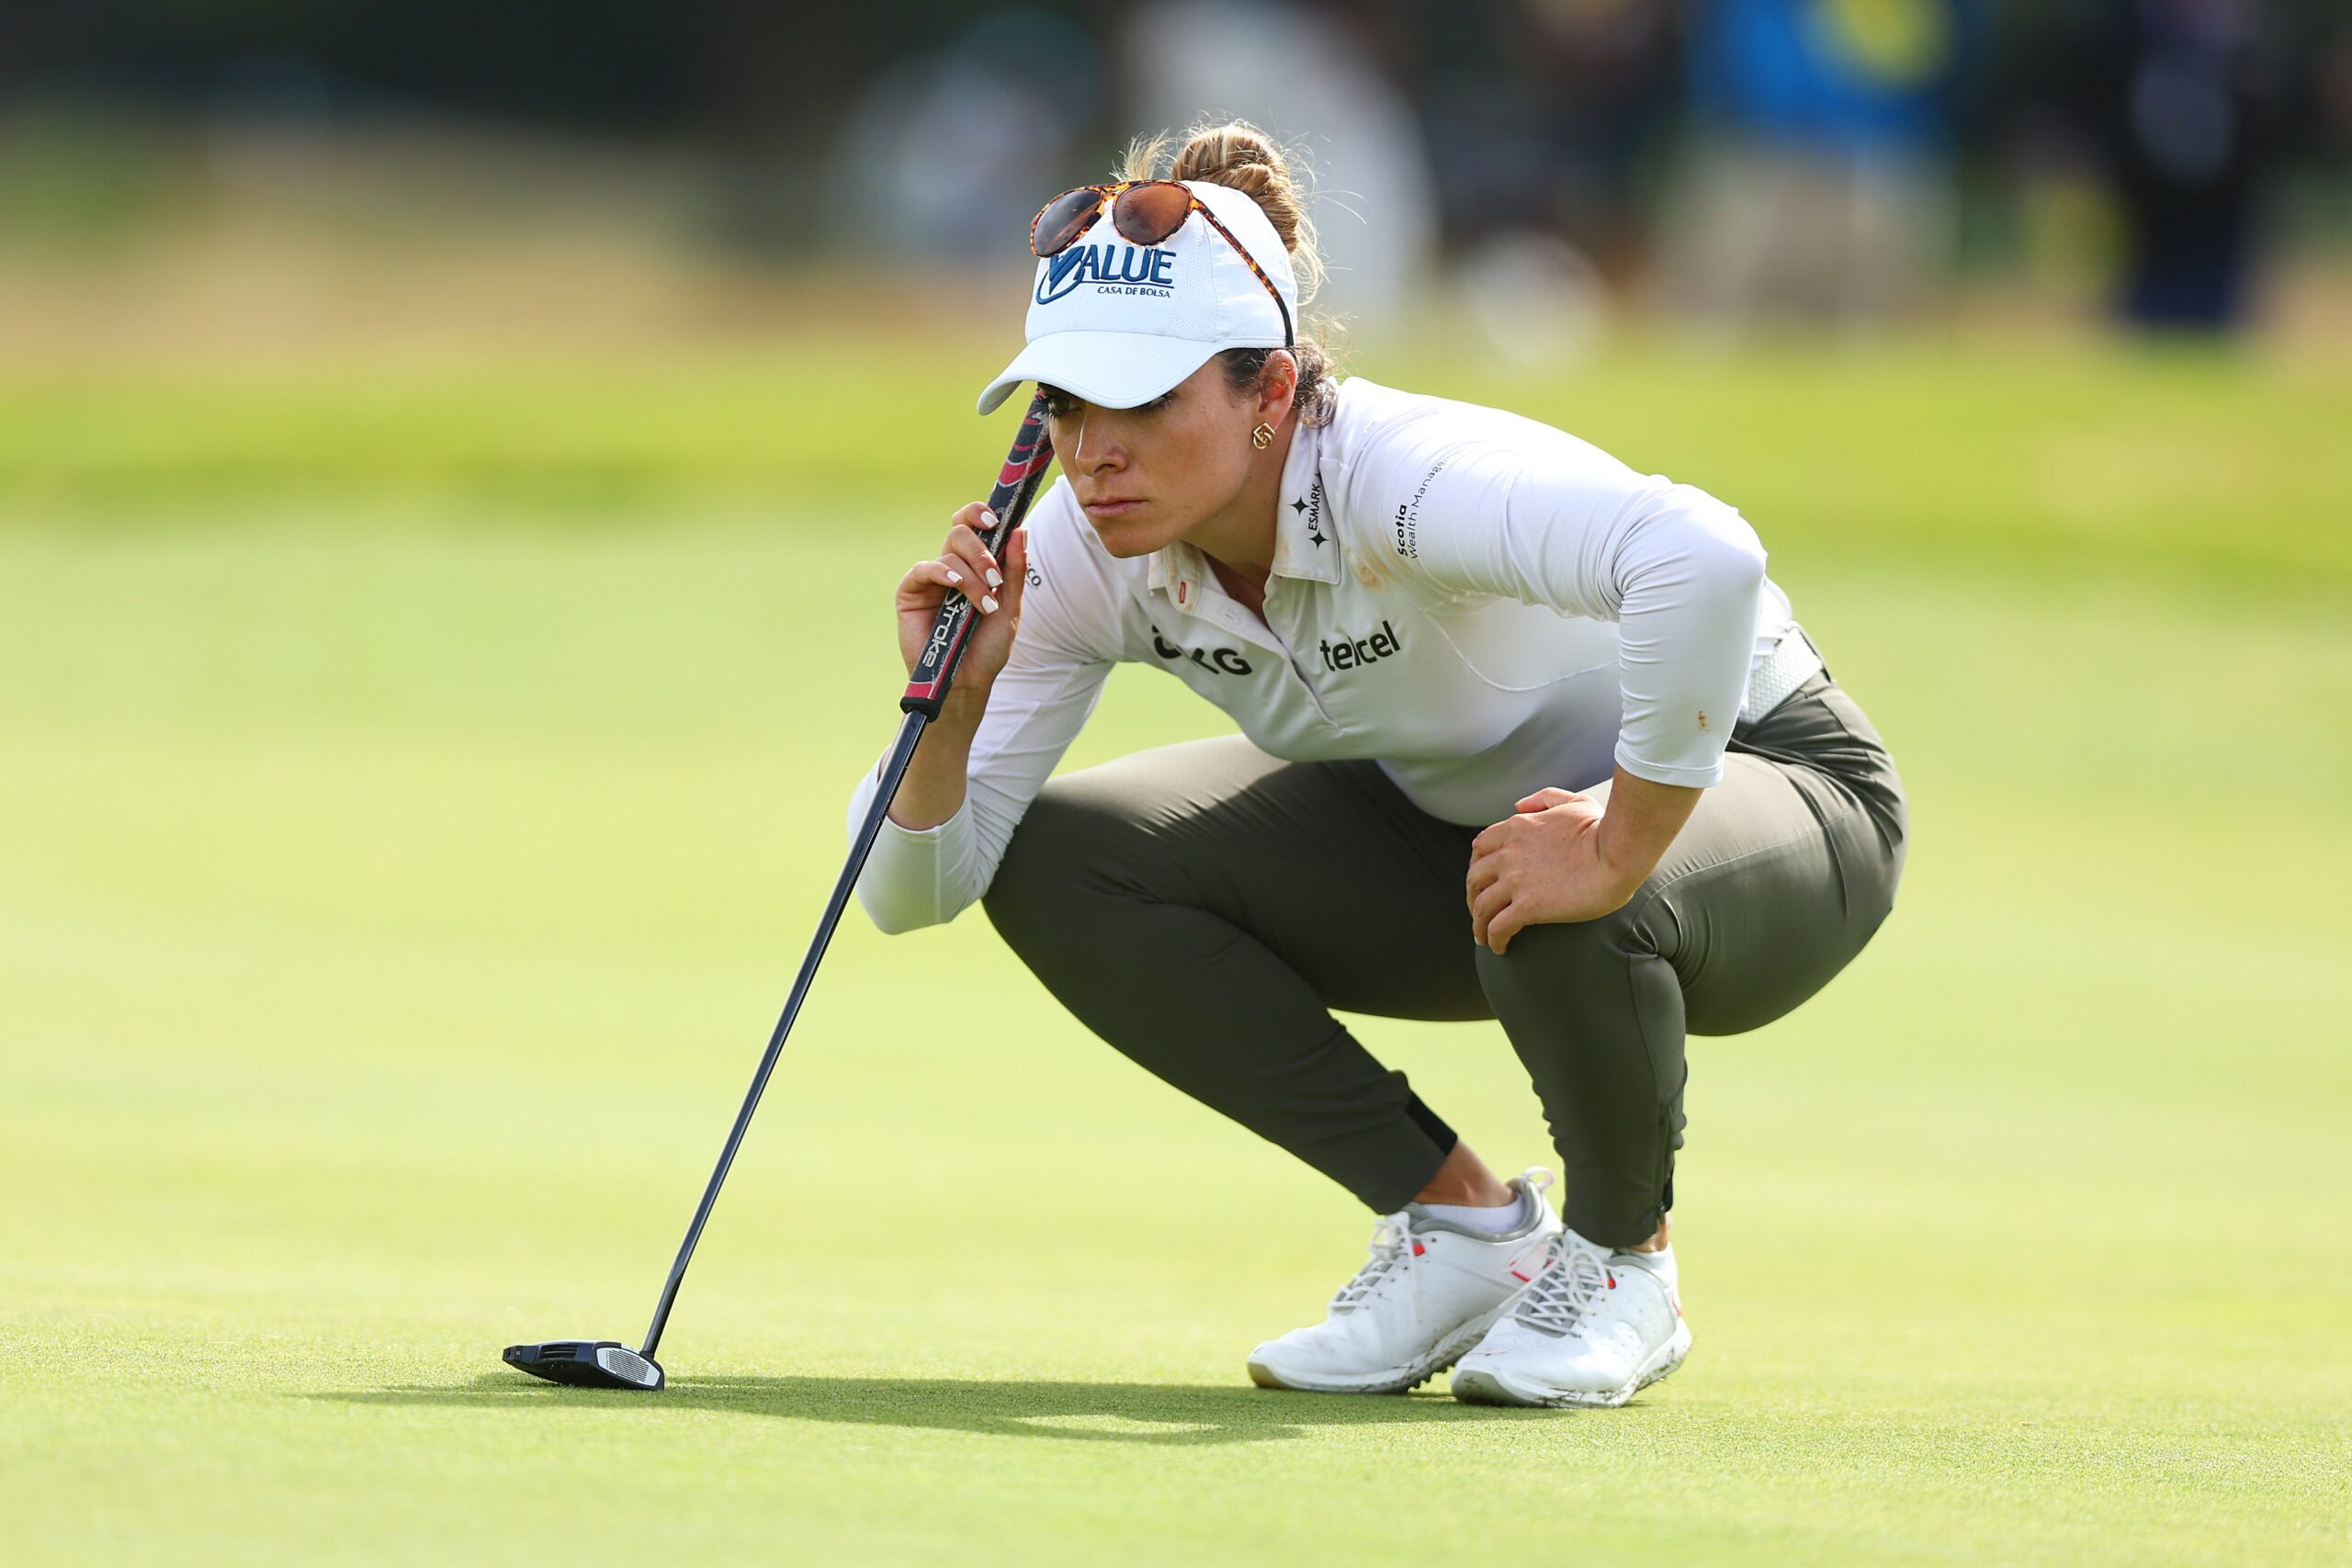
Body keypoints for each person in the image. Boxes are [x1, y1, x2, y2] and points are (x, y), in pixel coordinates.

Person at [847, 121, 1906, 1409]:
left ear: (1272, 394)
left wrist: (1619, 841)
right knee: (1068, 864)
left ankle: (1627, 1261)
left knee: (1551, 871)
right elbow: (912, 896)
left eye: (1145, 400)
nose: (1094, 449)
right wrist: (946, 726)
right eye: (1066, 404)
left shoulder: (1402, 478)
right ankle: (1463, 1232)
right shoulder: (1076, 554)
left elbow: (1706, 557)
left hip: (1779, 793)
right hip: (1454, 823)